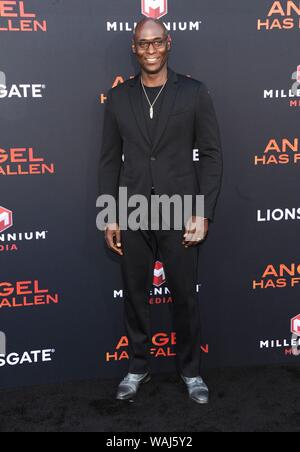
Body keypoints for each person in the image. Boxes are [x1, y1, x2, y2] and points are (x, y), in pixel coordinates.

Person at [98, 18, 223, 404]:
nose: (150, 50)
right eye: (142, 44)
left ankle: (191, 372)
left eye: (156, 43)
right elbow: (108, 162)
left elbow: (213, 156)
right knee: (135, 295)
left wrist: (202, 212)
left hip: (180, 210)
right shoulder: (118, 98)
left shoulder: (194, 92)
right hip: (133, 208)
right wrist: (110, 214)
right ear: (133, 49)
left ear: (168, 44)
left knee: (184, 295)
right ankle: (138, 366)